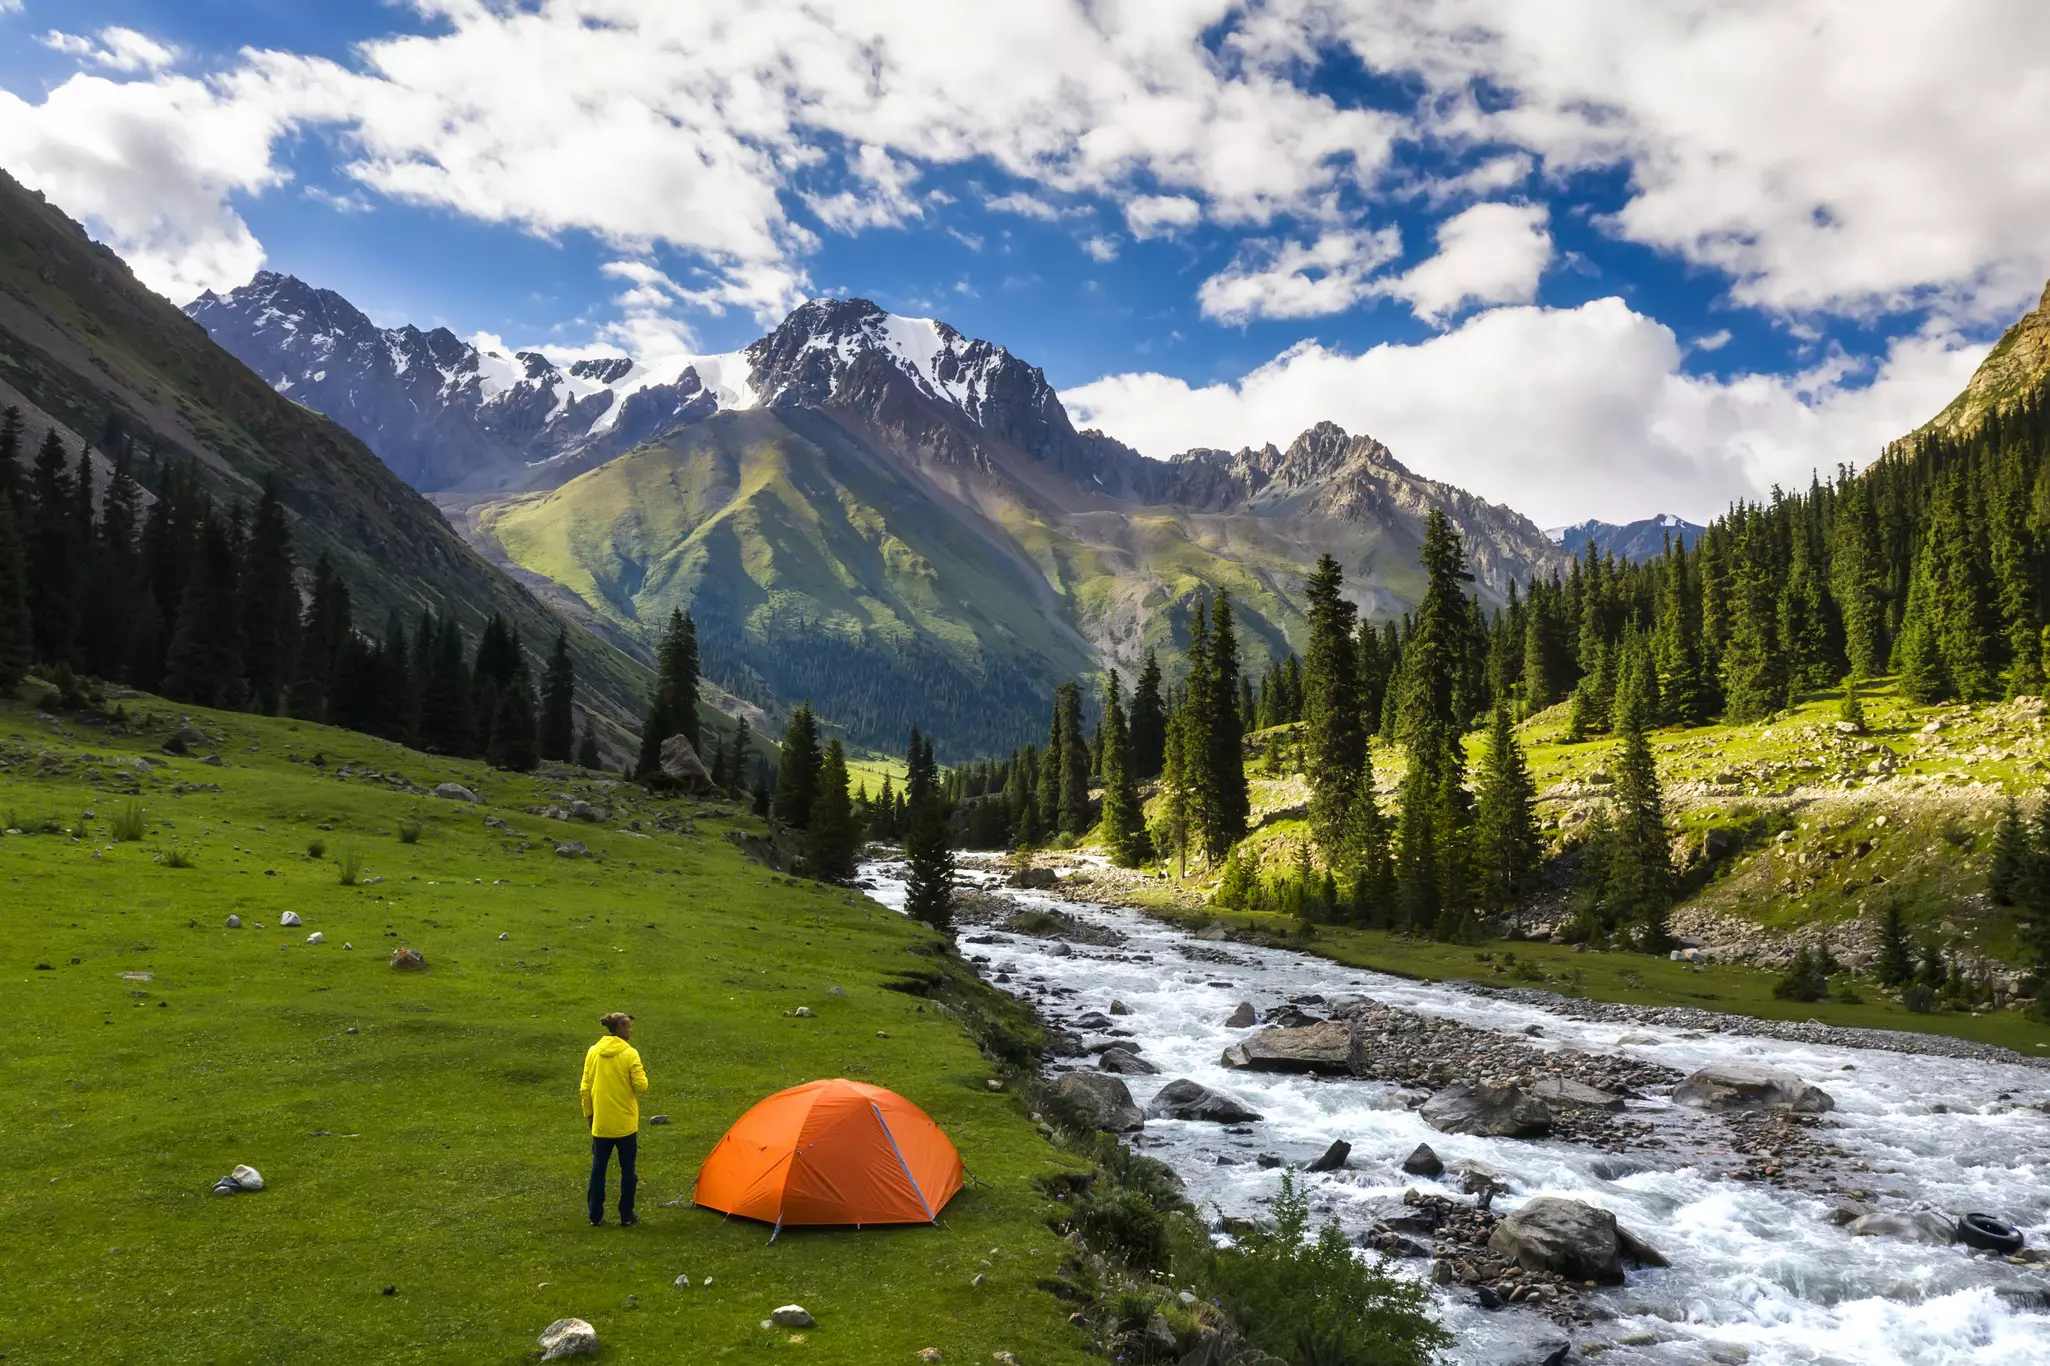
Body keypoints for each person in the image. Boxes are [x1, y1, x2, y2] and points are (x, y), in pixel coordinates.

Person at [579, 1011, 649, 1226]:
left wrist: (589, 1114)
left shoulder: (593, 1052)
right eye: (627, 1026)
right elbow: (641, 1086)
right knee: (628, 1170)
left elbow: (585, 1087)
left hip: (601, 1123)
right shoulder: (630, 1054)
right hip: (625, 1124)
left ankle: (595, 1214)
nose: (630, 1030)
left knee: (598, 1169)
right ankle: (626, 1214)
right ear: (619, 1029)